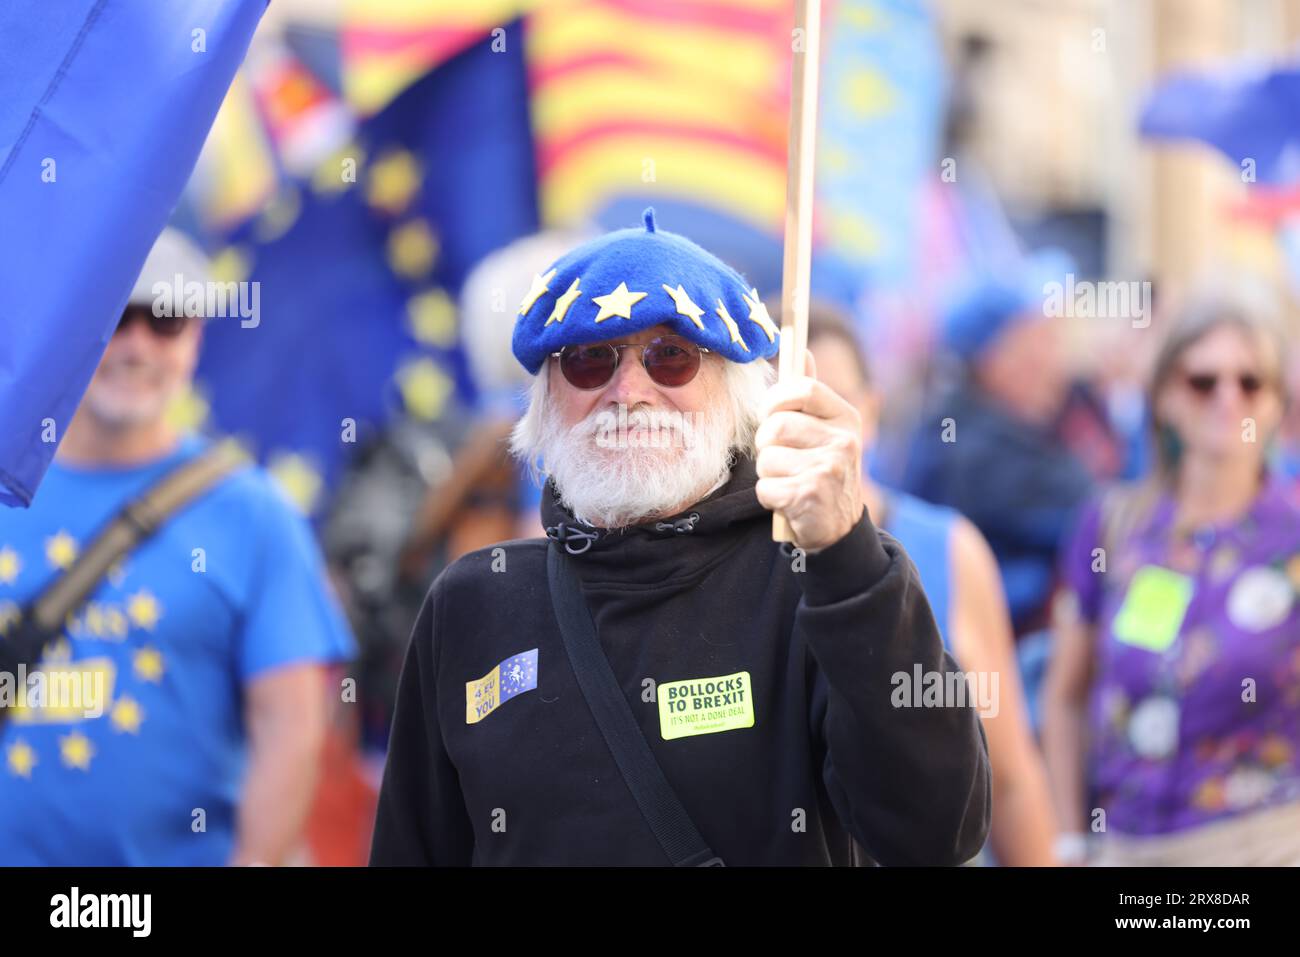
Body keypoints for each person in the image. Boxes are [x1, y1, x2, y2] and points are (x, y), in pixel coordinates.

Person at [369, 210, 991, 866]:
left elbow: (937, 831)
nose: (628, 392)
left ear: (736, 393)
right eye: (589, 361)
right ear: (546, 400)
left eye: (671, 357)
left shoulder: (824, 576)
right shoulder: (473, 600)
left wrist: (847, 553)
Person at [0, 228, 355, 865]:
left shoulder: (255, 513)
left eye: (165, 320)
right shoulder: (7, 489)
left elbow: (292, 729)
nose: (136, 346)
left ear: (196, 337)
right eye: (114, 316)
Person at [1043, 286, 1300, 865]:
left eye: (1251, 382)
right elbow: (1066, 696)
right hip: (1129, 848)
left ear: (1278, 403)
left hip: (1266, 846)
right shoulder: (1113, 525)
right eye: (1203, 381)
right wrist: (1067, 839)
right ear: (1164, 397)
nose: (1228, 399)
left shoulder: (1293, 536)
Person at [805, 303, 1058, 865]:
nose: (811, 425)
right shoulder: (740, 565)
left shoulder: (947, 547)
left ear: (870, 409)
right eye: (791, 405)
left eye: (832, 402)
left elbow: (1011, 776)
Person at [901, 255, 1093, 637]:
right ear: (992, 359)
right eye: (1035, 345)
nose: (1053, 365)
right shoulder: (973, 451)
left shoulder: (986, 430)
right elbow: (1095, 514)